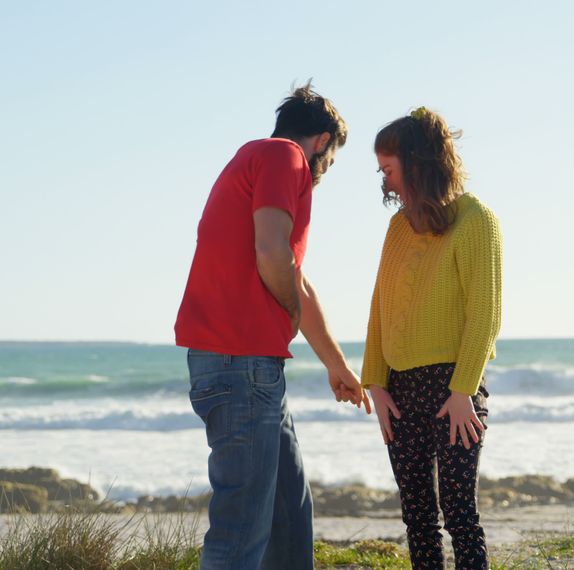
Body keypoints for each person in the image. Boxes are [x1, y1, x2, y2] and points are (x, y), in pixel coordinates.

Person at [174, 82, 370, 569]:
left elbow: (296, 281)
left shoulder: (253, 158)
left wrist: (337, 365)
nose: (325, 171)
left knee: (288, 515)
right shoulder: (286, 158)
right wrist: (286, 310)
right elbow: (272, 256)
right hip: (242, 366)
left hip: (250, 368)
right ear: (323, 141)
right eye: (332, 159)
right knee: (239, 534)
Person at [361, 107, 502, 569]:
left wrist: (464, 391)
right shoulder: (397, 227)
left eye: (389, 168)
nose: (384, 180)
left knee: (460, 515)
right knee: (417, 517)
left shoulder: (476, 219)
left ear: (417, 164)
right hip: (400, 389)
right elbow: (381, 308)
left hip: (453, 389)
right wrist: (375, 384)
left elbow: (486, 314)